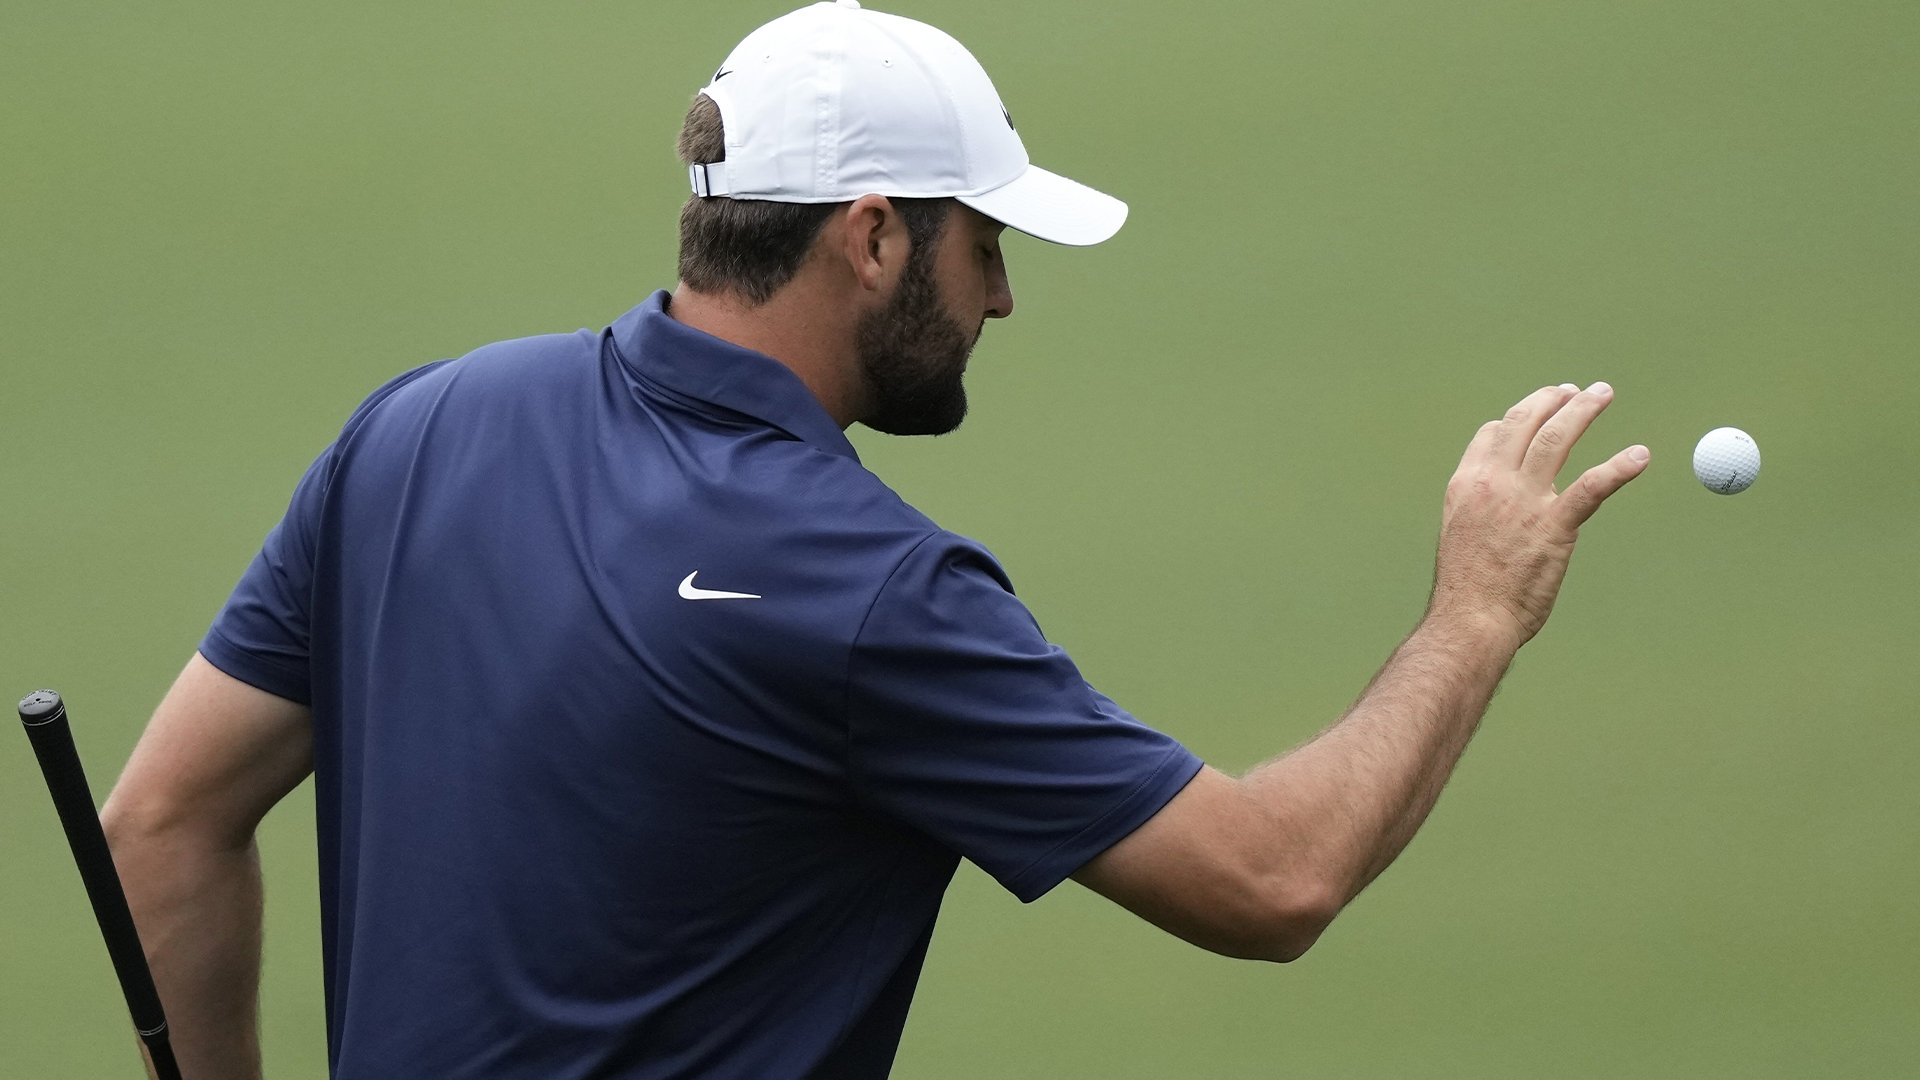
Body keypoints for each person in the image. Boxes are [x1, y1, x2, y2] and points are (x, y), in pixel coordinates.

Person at [99, 3, 1651, 1079]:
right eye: (984, 244)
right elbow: (1275, 880)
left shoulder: (422, 431)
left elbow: (159, 823)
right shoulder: (870, 592)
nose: (1001, 299)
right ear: (871, 233)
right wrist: (1475, 613)